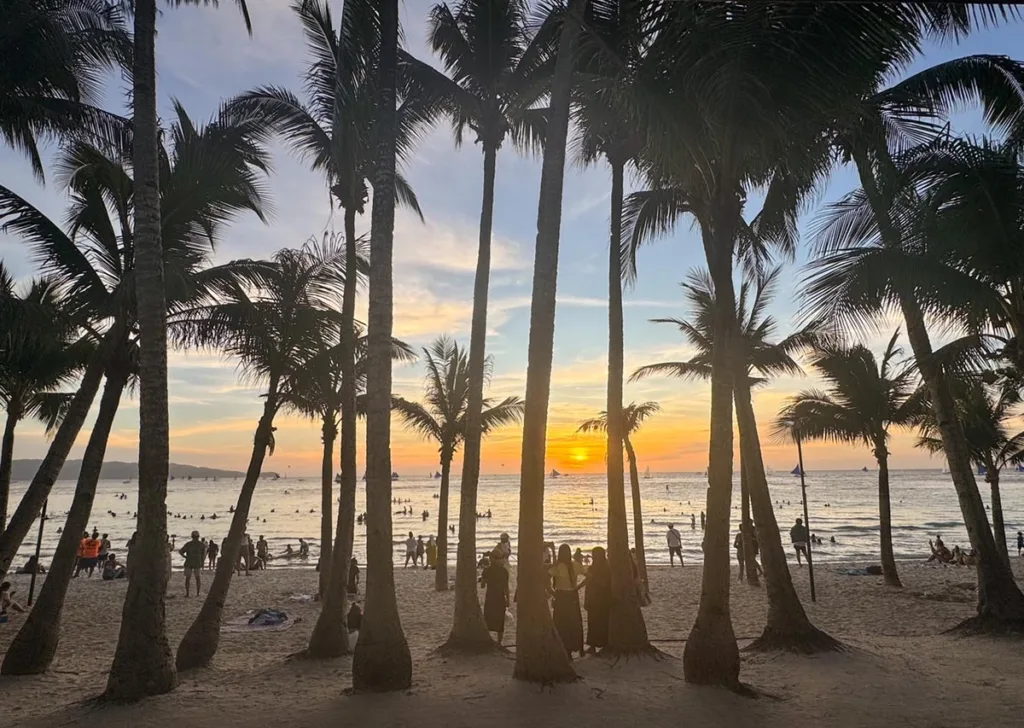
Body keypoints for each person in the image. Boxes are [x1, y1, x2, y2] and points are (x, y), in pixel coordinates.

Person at [548, 544, 584, 659]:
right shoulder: (575, 565)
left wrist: (550, 590)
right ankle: (578, 648)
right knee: (574, 622)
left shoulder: (558, 567)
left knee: (561, 623)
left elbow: (545, 576)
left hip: (561, 596)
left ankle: (564, 649)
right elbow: (590, 576)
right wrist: (578, 587)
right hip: (572, 595)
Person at [583, 546, 611, 653]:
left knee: (602, 622)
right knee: (593, 622)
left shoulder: (606, 568)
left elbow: (604, 583)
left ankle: (603, 644)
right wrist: (586, 599)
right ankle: (593, 646)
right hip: (594, 599)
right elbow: (588, 585)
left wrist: (593, 578)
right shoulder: (594, 567)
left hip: (602, 599)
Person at [482, 546, 510, 644]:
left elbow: (482, 585)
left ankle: (491, 641)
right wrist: (508, 599)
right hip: (499, 597)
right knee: (499, 621)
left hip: (491, 597)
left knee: (488, 619)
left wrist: (483, 579)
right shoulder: (504, 571)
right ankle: (499, 642)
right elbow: (506, 587)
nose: (500, 560)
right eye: (499, 558)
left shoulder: (487, 570)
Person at [180, 530, 206, 597]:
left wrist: (186, 557)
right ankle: (198, 593)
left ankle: (187, 593)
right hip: (197, 562)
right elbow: (204, 555)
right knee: (197, 578)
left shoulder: (188, 544)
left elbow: (181, 551)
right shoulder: (201, 544)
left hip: (189, 562)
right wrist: (202, 562)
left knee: (188, 578)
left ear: (192, 537)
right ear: (198, 536)